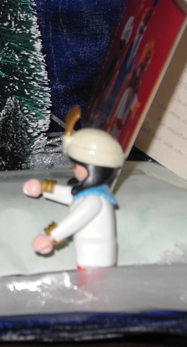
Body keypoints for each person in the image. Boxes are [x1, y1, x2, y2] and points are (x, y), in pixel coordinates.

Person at [23, 106, 125, 269]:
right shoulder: (91, 194)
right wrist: (43, 188)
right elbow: (70, 195)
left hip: (96, 258)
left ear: (92, 169)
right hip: (90, 256)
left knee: (91, 285)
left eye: (76, 165)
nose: (73, 168)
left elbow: (76, 219)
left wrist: (51, 237)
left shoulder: (94, 200)